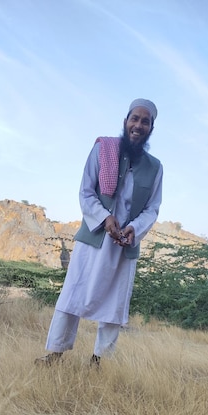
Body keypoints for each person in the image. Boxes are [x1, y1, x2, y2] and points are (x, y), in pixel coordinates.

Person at [36, 98, 163, 367]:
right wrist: (105, 218)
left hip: (124, 244)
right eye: (134, 119)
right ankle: (55, 354)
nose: (138, 125)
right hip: (94, 237)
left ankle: (98, 362)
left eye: (145, 121)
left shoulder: (155, 168)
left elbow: (152, 208)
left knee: (114, 307)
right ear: (125, 121)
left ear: (152, 127)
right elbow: (86, 191)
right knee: (72, 294)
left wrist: (133, 229)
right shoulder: (103, 149)